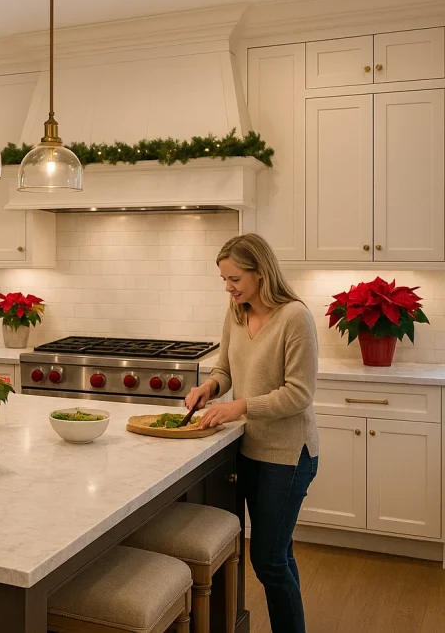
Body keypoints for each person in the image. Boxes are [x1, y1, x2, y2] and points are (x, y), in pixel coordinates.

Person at [184, 233, 319, 633]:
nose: (228, 288)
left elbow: (299, 394)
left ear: (261, 272)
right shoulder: (236, 312)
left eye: (235, 279)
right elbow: (225, 368)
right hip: (248, 450)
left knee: (268, 560)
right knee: (279, 553)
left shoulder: (295, 317)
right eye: (224, 279)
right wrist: (210, 387)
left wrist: (240, 406)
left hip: (288, 455)